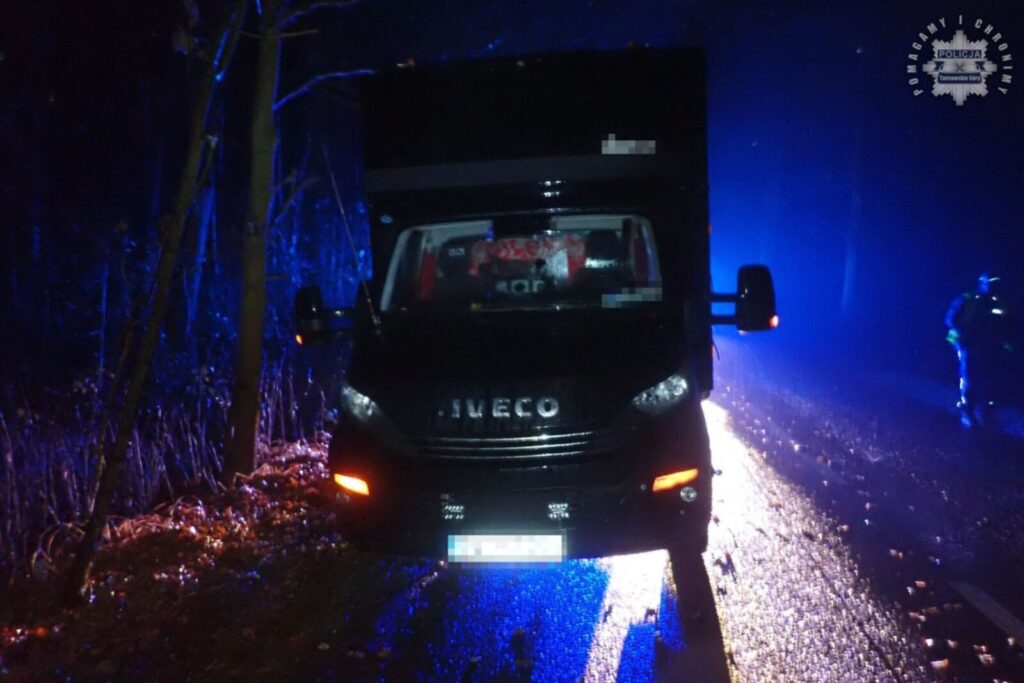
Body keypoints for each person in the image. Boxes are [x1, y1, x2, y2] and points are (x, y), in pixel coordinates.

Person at [945, 274, 1014, 428]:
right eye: (988, 282)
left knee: (989, 378)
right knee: (970, 377)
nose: (991, 286)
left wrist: (1005, 344)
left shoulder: (998, 302)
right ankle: (967, 411)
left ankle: (986, 411)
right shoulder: (968, 299)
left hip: (989, 346)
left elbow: (1006, 325)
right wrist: (961, 337)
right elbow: (950, 319)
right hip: (968, 344)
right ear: (981, 283)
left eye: (994, 283)